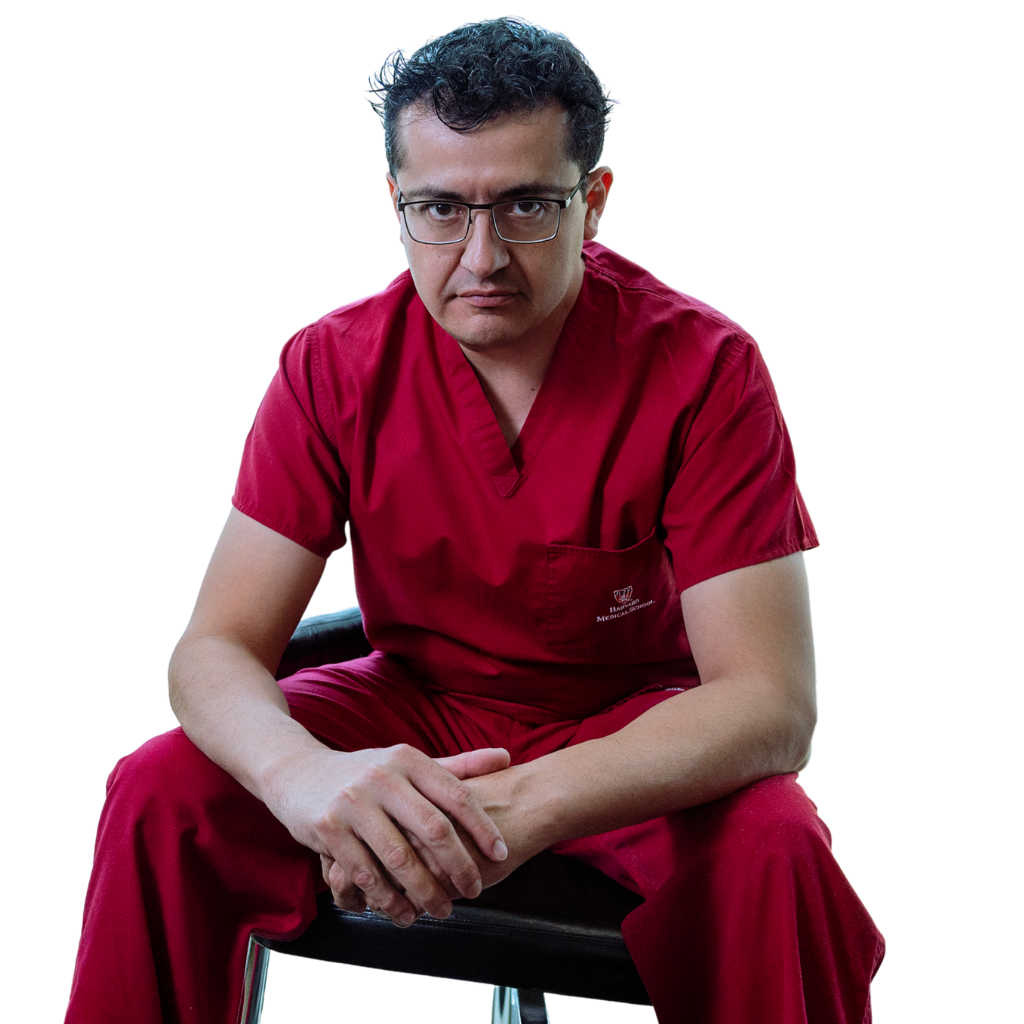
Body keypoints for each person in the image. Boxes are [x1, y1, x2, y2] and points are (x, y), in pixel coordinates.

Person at [65, 16, 885, 1024]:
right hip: (416, 703)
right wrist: (303, 776)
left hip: (632, 725)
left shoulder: (707, 369)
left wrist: (520, 805)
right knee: (162, 791)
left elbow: (770, 706)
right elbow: (213, 649)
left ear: (594, 202)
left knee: (777, 846)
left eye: (527, 206)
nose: (481, 256)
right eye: (442, 209)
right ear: (396, 206)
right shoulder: (330, 365)